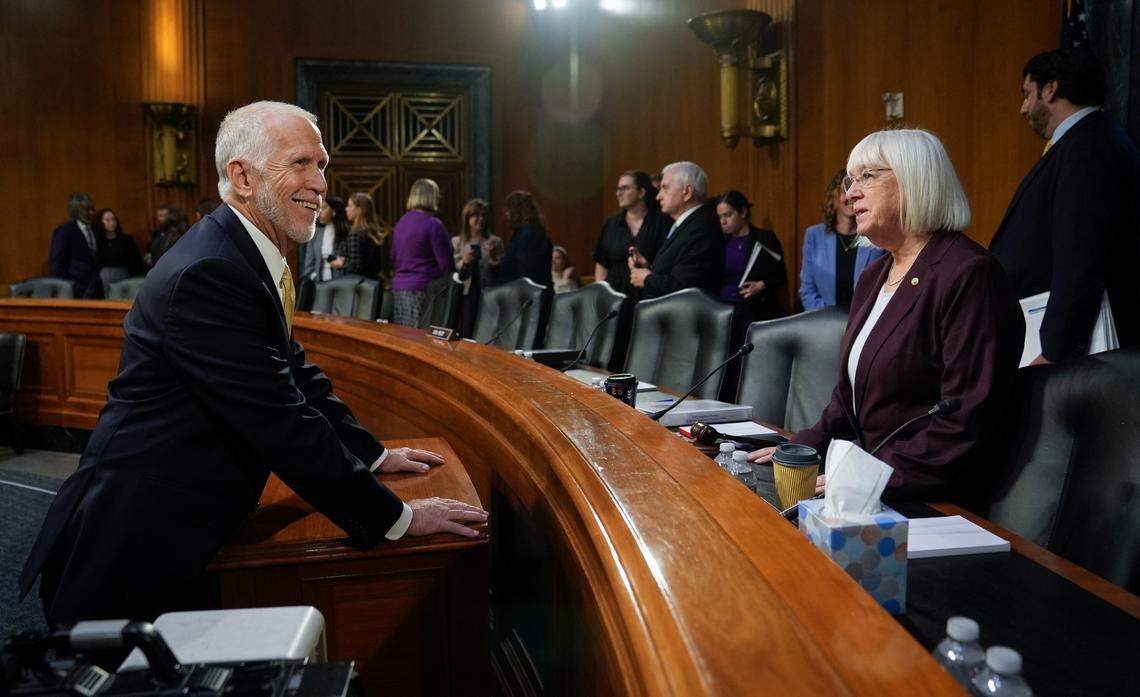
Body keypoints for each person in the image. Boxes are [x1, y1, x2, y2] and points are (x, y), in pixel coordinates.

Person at [19, 101, 487, 625]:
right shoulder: (212, 270)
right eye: (300, 164)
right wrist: (394, 519)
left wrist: (373, 456)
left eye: (323, 165)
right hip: (134, 543)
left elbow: (294, 371)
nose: (320, 182)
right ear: (241, 176)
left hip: (178, 517)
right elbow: (280, 417)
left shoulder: (238, 250)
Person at [747, 129, 1023, 503]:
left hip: (935, 499)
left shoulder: (968, 274)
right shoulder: (875, 275)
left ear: (915, 180)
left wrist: (869, 477)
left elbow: (964, 417)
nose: (850, 193)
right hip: (869, 484)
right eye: (849, 180)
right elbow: (849, 400)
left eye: (867, 176)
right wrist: (800, 447)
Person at [989, 48, 1140, 363]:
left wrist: (1054, 351)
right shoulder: (1086, 143)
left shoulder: (1087, 149)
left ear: (1050, 89)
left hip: (1065, 349)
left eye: (1027, 94)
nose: (1023, 108)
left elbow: (1080, 257)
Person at [628, 161, 720, 299]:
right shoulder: (687, 224)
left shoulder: (702, 228)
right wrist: (649, 267)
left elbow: (688, 287)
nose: (658, 196)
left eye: (665, 188)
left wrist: (647, 279)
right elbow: (680, 270)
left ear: (687, 192)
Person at [800, 169, 886, 310]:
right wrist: (828, 322)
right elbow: (808, 291)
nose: (851, 196)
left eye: (856, 189)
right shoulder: (814, 236)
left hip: (865, 321)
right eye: (844, 190)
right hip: (825, 323)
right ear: (833, 198)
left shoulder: (876, 236)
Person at [592, 170, 669, 295]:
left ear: (641, 192)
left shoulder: (661, 221)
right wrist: (600, 294)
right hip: (615, 296)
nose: (618, 193)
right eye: (618, 189)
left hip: (650, 294)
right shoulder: (611, 223)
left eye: (625, 188)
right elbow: (602, 262)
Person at [391, 179, 455, 327]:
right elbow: (446, 264)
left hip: (399, 289)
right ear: (431, 197)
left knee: (403, 339)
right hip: (424, 290)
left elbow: (393, 258)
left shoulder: (401, 222)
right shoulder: (433, 225)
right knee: (421, 340)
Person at [715, 190, 786, 322]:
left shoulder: (765, 238)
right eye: (720, 217)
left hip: (753, 310)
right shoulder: (720, 242)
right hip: (724, 311)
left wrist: (761, 285)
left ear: (742, 212)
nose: (723, 221)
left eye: (728, 215)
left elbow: (780, 275)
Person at [452, 198, 503, 337]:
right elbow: (454, 272)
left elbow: (500, 273)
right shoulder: (457, 242)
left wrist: (493, 257)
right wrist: (465, 261)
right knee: (466, 332)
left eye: (483, 215)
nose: (480, 219)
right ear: (467, 218)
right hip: (465, 295)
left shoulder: (495, 241)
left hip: (489, 293)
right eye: (475, 215)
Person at [491, 190, 553, 288]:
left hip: (525, 296)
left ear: (516, 211)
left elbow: (524, 273)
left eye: (508, 209)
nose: (506, 214)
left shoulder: (527, 235)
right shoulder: (532, 232)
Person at [49, 192, 102, 298]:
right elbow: (57, 264)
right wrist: (68, 286)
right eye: (87, 209)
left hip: (95, 289)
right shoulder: (64, 231)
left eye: (93, 208)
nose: (92, 212)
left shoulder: (96, 230)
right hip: (74, 290)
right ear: (76, 211)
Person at [333, 192, 383, 279]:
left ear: (359, 210)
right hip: (372, 283)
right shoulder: (373, 232)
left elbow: (355, 267)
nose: (346, 209)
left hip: (357, 286)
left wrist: (341, 264)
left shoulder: (355, 234)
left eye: (349, 206)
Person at [301, 195, 349, 282]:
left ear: (334, 211)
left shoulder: (346, 232)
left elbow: (350, 261)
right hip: (319, 284)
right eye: (318, 209)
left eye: (324, 208)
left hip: (342, 283)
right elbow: (309, 261)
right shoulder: (316, 232)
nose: (319, 212)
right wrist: (313, 277)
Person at [94, 208, 144, 282]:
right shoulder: (97, 240)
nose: (112, 222)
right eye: (108, 220)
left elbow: (136, 262)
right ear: (100, 222)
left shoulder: (126, 240)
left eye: (113, 219)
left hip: (124, 278)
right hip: (103, 280)